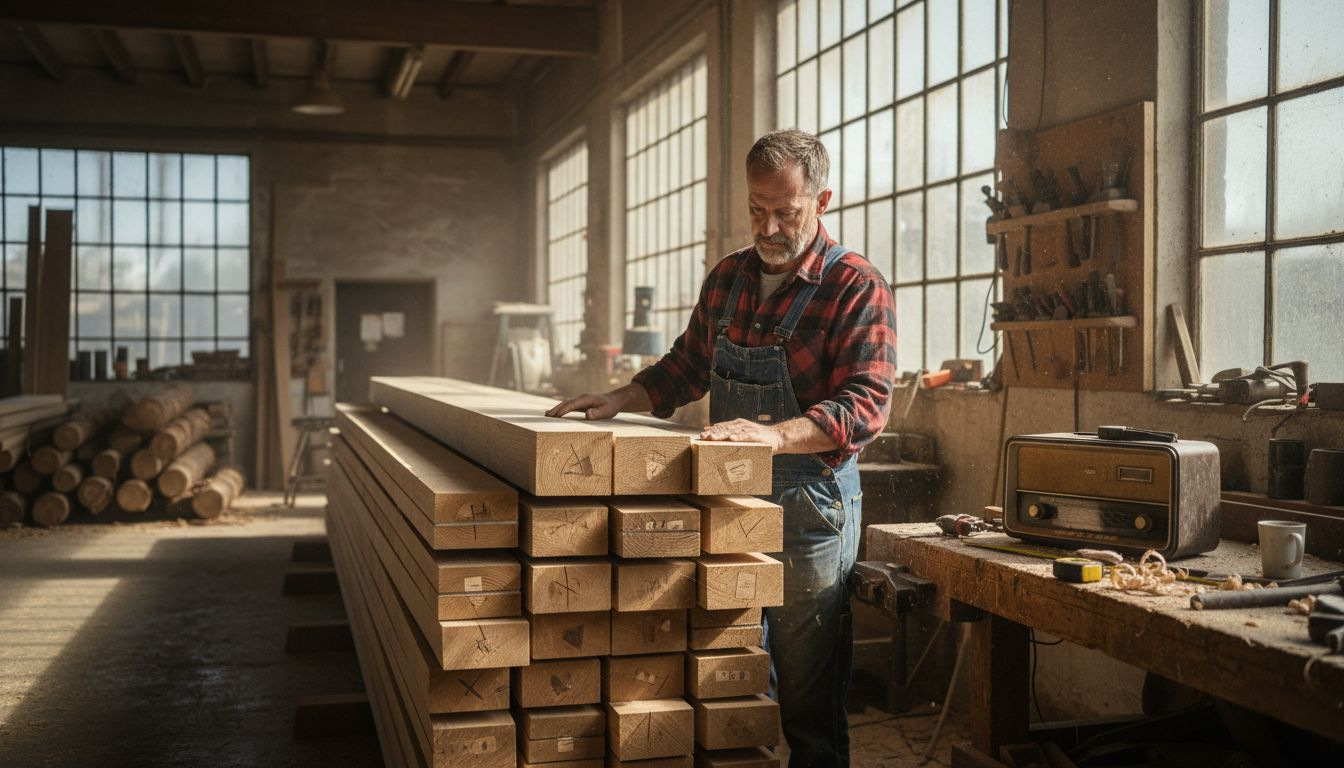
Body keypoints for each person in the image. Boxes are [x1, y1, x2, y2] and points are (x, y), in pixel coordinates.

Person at [546, 129, 897, 767]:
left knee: (808, 697)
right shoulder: (730, 276)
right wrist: (622, 398)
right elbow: (686, 366)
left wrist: (775, 435)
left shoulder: (854, 285)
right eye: (756, 209)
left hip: (808, 507)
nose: (768, 227)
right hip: (728, 498)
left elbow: (868, 403)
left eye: (785, 213)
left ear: (823, 201)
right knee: (731, 681)